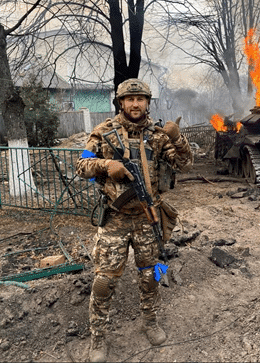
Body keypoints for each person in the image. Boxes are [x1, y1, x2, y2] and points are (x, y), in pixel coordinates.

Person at [76, 78, 194, 362]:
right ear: (121, 103)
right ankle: (98, 338)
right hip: (115, 220)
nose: (135, 104)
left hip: (148, 219)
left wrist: (178, 139)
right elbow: (81, 165)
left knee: (152, 275)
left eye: (140, 99)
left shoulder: (157, 135)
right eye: (129, 99)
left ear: (147, 103)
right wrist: (106, 165)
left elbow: (185, 164)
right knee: (104, 282)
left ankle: (150, 321)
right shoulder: (103, 132)